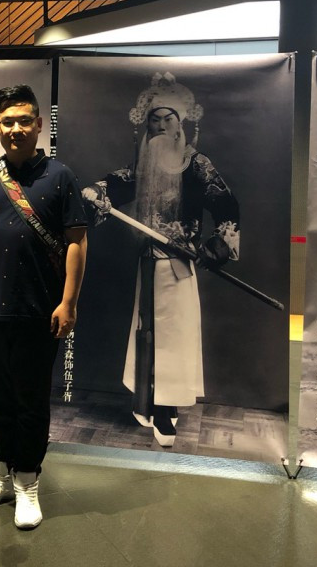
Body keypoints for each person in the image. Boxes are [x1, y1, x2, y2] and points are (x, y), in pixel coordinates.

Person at [82, 71, 239, 447]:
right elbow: (117, 183)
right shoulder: (144, 164)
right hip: (147, 263)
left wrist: (215, 248)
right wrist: (96, 191)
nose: (163, 125)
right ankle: (147, 399)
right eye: (156, 119)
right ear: (148, 125)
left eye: (169, 118)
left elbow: (227, 205)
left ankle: (167, 409)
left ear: (180, 123)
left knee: (173, 337)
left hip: (178, 264)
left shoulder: (197, 164)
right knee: (147, 333)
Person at [0, 84, 88, 529]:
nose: (16, 129)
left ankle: (27, 483)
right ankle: (1, 475)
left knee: (30, 401)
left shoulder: (60, 177)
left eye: (24, 121)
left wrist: (68, 302)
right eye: (7, 122)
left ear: (38, 125)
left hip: (38, 312)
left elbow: (76, 243)